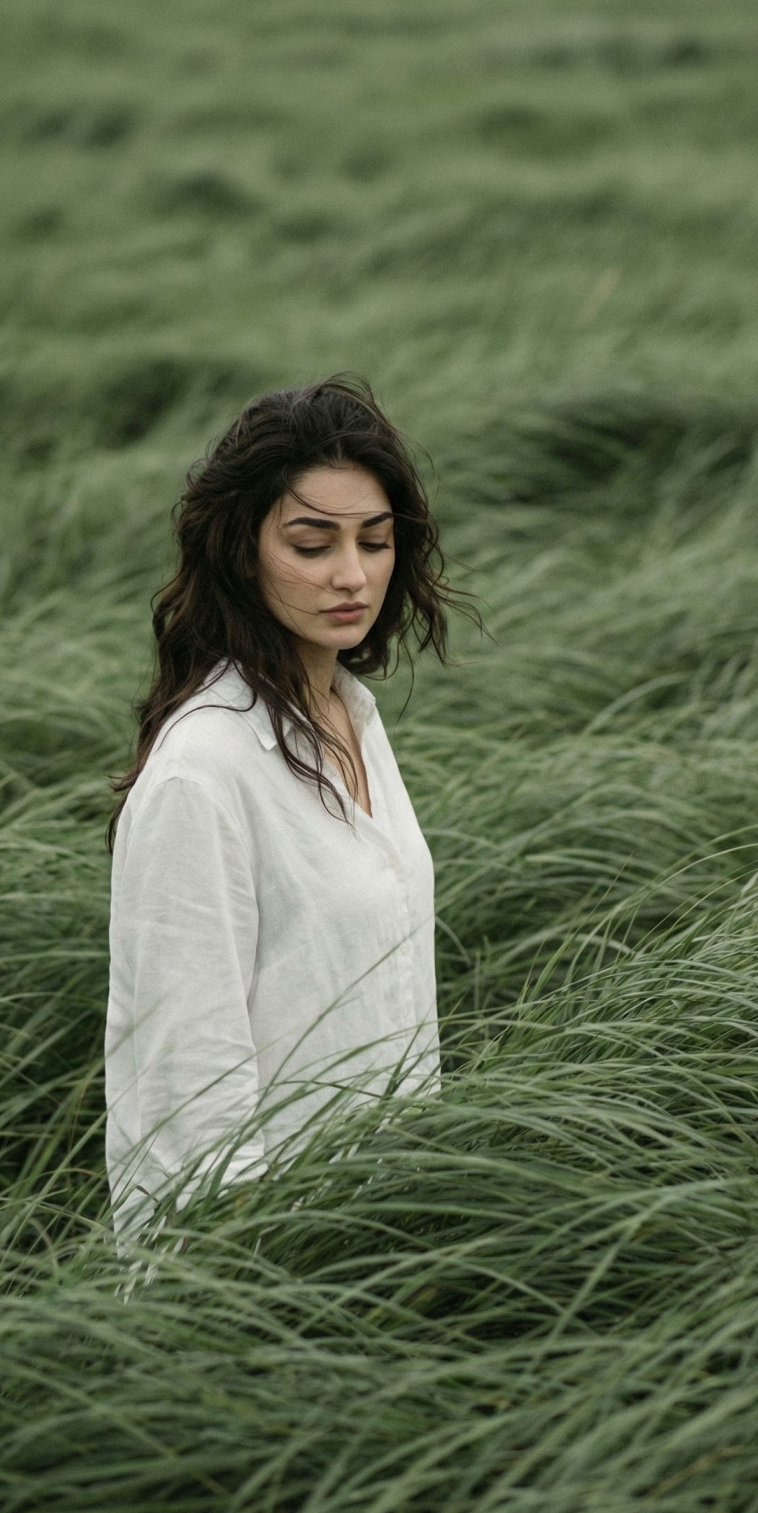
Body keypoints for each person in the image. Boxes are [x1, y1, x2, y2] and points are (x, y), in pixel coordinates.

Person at [102, 372, 477, 1254]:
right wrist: (257, 1290)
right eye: (312, 545)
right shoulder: (203, 775)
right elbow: (187, 1091)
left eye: (375, 541)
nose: (353, 575)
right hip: (264, 1270)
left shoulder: (354, 716)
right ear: (241, 551)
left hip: (385, 1238)